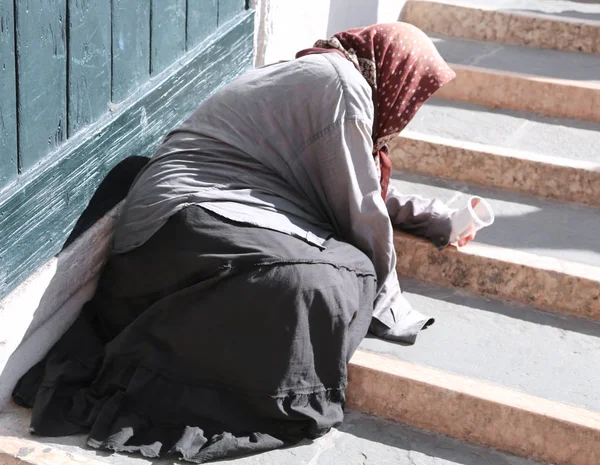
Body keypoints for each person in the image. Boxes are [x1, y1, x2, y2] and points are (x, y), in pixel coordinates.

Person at [13, 22, 474, 463]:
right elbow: (361, 208)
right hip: (185, 223)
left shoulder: (331, 76)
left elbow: (359, 185)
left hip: (202, 219)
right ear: (395, 73)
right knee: (334, 280)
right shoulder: (340, 87)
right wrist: (389, 304)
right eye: (416, 92)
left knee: (342, 272)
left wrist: (440, 219)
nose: (410, 109)